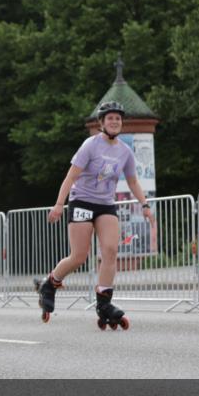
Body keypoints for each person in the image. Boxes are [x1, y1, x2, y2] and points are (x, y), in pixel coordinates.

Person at [38, 101, 155, 329]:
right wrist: (59, 204)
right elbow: (71, 176)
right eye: (110, 118)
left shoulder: (125, 151)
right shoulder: (90, 145)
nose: (114, 122)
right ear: (102, 123)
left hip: (105, 205)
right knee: (80, 256)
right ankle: (50, 283)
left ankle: (104, 303)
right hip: (81, 200)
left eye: (118, 119)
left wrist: (145, 205)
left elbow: (132, 180)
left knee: (111, 250)